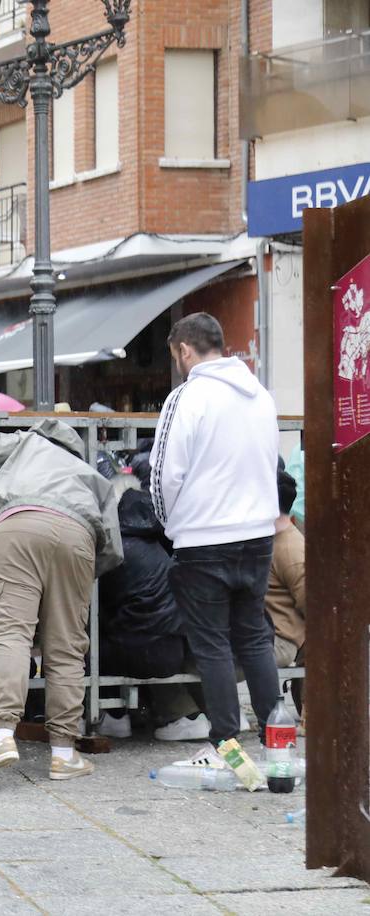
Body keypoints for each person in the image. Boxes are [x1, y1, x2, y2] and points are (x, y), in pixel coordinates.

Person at [151, 312, 281, 787]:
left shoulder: (187, 397)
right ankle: (275, 740)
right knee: (253, 637)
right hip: (258, 533)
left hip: (205, 537)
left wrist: (172, 526)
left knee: (211, 644)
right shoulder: (261, 397)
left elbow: (164, 474)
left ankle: (227, 744)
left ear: (184, 350)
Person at [0, 409, 123, 782]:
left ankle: (1, 735)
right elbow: (112, 550)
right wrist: (74, 581)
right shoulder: (91, 476)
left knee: (11, 634)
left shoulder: (25, 443)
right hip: (78, 536)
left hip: (17, 526)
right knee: (66, 647)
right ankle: (64, 753)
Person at [96, 478, 207, 741]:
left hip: (142, 651)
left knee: (90, 646)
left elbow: (99, 606)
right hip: (174, 648)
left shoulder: (117, 548)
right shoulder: (157, 544)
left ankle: (113, 717)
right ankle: (172, 715)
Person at [265, 467, 305, 670]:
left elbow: (312, 606)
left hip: (280, 641)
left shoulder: (291, 550)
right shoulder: (274, 540)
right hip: (268, 636)